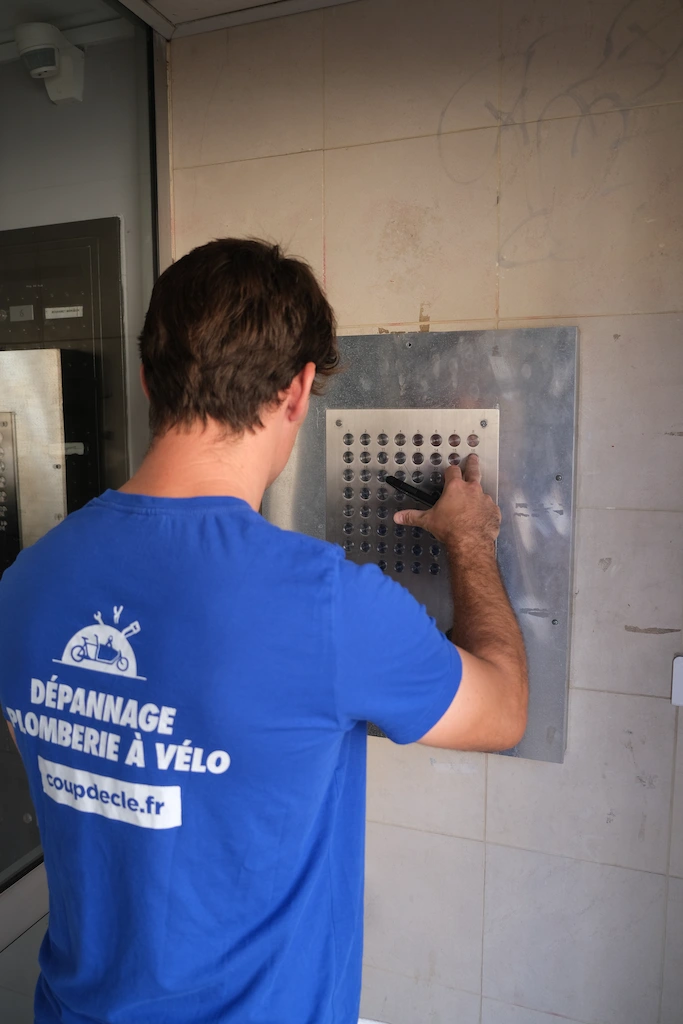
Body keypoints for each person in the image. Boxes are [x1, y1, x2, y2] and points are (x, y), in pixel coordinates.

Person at [0, 238, 527, 1024]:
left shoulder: (25, 582)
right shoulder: (329, 604)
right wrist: (470, 542)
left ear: (146, 378)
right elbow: (504, 709)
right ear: (297, 391)